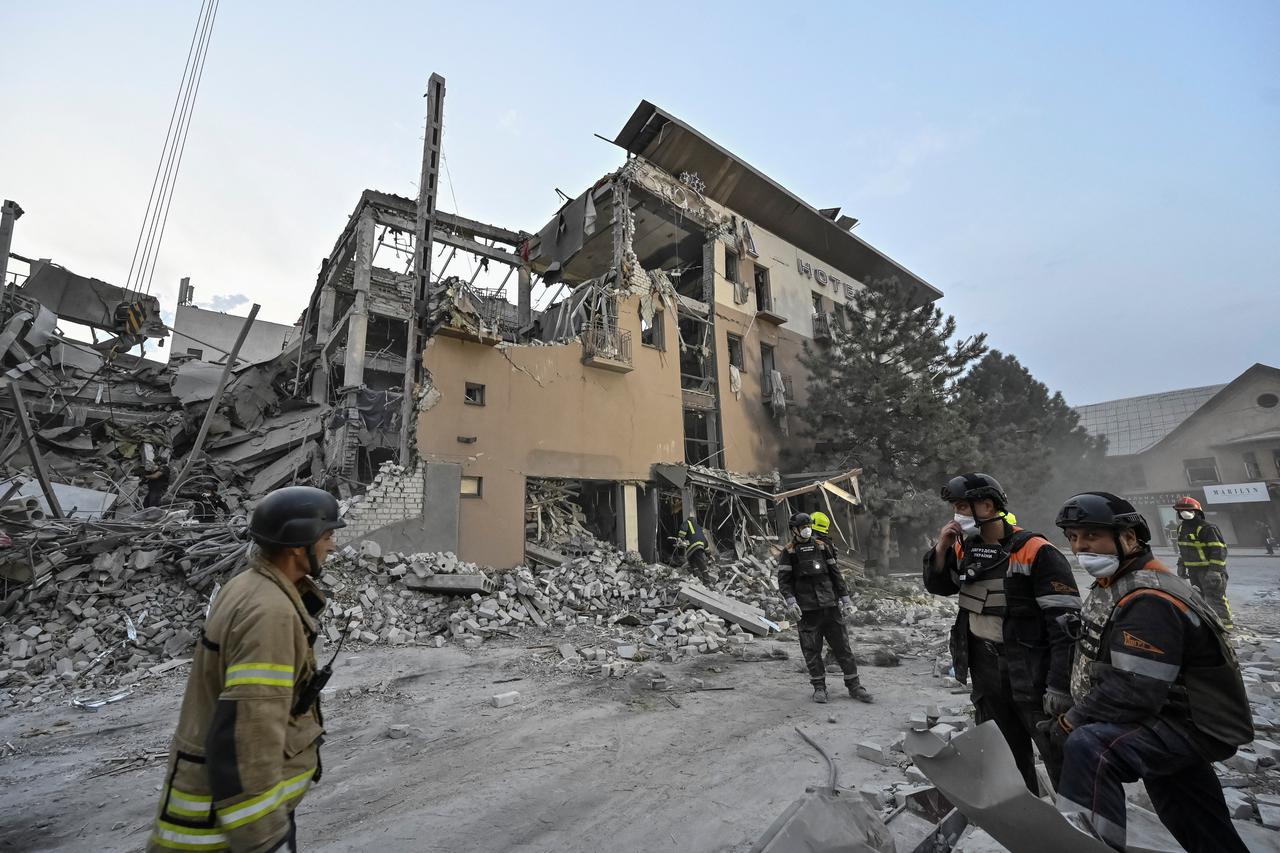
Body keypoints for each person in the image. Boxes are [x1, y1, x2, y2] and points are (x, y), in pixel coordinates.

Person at [1047, 492, 1251, 852]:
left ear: (1128, 538)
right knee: (1197, 821)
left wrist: (1071, 721)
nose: (1081, 547)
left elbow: (1133, 689)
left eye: (1092, 536)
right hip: (1168, 717)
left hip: (1185, 724)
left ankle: (1088, 847)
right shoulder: (1120, 582)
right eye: (1074, 537)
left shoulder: (1150, 597)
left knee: (1091, 746)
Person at [148, 486, 345, 852]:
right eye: (328, 535)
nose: (332, 546)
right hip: (230, 829)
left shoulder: (247, 585)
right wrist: (264, 837)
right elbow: (248, 731)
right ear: (296, 544)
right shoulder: (268, 613)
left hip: (218, 813)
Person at [923, 473, 1081, 792]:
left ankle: (1078, 827)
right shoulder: (963, 549)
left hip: (1030, 668)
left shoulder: (1035, 550)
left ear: (988, 505)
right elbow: (940, 586)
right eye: (955, 507)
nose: (958, 514)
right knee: (1004, 755)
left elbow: (1066, 627)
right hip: (984, 666)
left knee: (1058, 752)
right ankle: (1028, 824)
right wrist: (940, 548)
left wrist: (1059, 685)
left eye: (964, 506)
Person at [778, 511, 872, 704]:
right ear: (794, 530)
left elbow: (835, 573)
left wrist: (845, 599)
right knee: (811, 650)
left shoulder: (822, 547)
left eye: (808, 526)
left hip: (830, 606)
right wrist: (791, 601)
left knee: (842, 648)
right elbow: (784, 581)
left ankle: (855, 687)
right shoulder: (789, 552)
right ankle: (819, 688)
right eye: (802, 527)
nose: (806, 530)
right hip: (807, 611)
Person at [1173, 496, 1233, 628]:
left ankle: (1225, 628)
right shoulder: (1181, 528)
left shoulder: (1207, 528)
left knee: (1216, 599)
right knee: (1200, 599)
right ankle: (1209, 626)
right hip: (1193, 572)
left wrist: (1215, 571)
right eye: (1181, 510)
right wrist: (1181, 565)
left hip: (1209, 571)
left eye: (1188, 510)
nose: (1184, 513)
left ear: (1197, 511)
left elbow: (1219, 550)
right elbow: (1183, 549)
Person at [677, 515, 711, 581]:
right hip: (700, 545)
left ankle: (707, 580)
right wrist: (709, 555)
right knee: (693, 561)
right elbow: (706, 543)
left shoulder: (687, 522)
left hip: (693, 546)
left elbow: (683, 530)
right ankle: (698, 578)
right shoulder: (699, 528)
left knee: (699, 562)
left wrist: (680, 538)